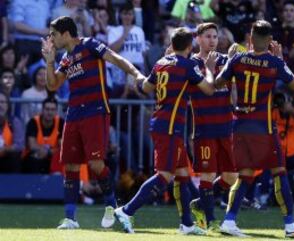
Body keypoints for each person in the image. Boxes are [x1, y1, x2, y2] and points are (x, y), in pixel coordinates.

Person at [41, 16, 145, 229]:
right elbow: (52, 86)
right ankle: (70, 219)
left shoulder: (90, 44)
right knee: (70, 165)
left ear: (65, 33)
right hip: (74, 114)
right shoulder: (66, 58)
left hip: (95, 111)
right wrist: (50, 61)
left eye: (53, 34)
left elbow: (115, 58)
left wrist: (136, 74)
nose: (50, 38)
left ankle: (111, 206)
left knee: (96, 164)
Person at [214, 20, 294, 238]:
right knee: (279, 172)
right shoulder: (273, 62)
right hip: (263, 127)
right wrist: (279, 59)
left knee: (245, 174)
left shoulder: (238, 59)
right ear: (269, 41)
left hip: (240, 125)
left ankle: (229, 221)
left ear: (250, 37)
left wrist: (229, 60)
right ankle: (290, 225)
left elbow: (218, 83)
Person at [114, 27, 214, 235]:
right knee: (164, 175)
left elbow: (147, 88)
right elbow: (208, 89)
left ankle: (186, 224)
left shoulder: (160, 63)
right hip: (169, 127)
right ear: (189, 46)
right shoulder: (187, 65)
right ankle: (126, 210)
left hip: (163, 123)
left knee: (183, 175)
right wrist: (211, 69)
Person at [187, 22, 238, 230]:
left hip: (226, 126)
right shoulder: (191, 63)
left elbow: (234, 95)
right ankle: (210, 220)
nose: (212, 40)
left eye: (215, 37)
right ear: (198, 39)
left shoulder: (226, 62)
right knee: (207, 174)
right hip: (204, 127)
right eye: (207, 36)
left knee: (230, 176)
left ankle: (200, 203)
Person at [22, 97, 64, 174]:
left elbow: (62, 146)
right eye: (47, 109)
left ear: (56, 111)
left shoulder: (61, 123)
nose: (50, 112)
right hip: (35, 154)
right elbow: (32, 145)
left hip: (53, 155)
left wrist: (48, 152)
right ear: (42, 110)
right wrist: (44, 151)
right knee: (33, 160)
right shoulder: (33, 122)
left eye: (52, 110)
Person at [0, 90, 24, 173]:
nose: (0, 105)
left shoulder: (14, 121)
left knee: (14, 156)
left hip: (7, 157)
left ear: (7, 105)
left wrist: (5, 149)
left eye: (3, 102)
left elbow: (19, 145)